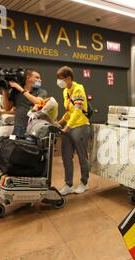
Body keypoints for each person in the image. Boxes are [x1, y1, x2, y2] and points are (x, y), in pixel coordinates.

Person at [56, 66, 90, 195]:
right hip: (69, 128)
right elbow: (69, 112)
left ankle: (84, 183)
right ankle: (68, 184)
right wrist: (59, 123)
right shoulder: (65, 91)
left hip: (80, 126)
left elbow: (77, 111)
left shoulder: (78, 89)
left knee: (82, 157)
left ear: (69, 78)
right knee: (66, 156)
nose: (59, 82)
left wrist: (67, 127)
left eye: (61, 79)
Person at [3, 69, 47, 137]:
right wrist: (5, 92)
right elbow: (7, 108)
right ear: (28, 78)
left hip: (34, 128)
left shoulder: (41, 92)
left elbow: (38, 102)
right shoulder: (16, 92)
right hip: (18, 127)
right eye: (37, 77)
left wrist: (21, 89)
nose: (40, 80)